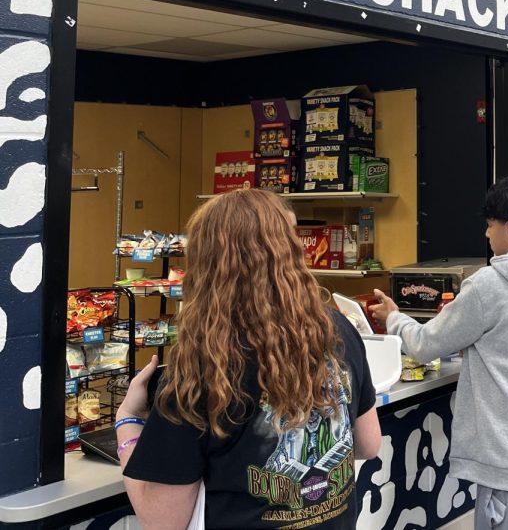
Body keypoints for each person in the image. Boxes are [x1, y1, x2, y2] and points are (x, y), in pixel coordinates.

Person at [118, 189, 381, 528]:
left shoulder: (204, 364)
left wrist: (127, 421)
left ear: (207, 264)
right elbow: (368, 444)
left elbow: (162, 520)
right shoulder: (337, 330)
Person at [371, 172, 508, 529]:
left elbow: (426, 345)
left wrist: (394, 318)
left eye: (490, 225)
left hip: (506, 464)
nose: (487, 234)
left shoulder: (489, 285)